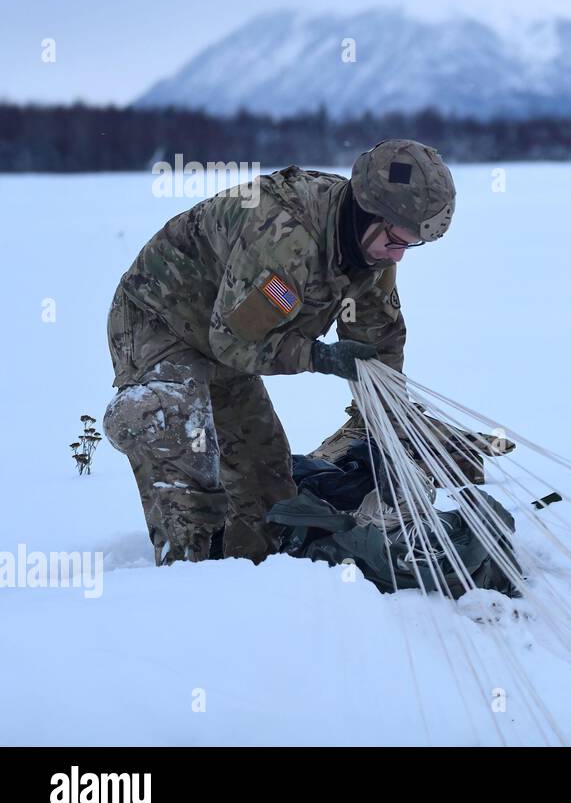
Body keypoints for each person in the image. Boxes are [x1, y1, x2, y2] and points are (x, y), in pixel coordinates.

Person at [102, 139, 454, 565]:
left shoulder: (372, 253)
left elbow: (380, 347)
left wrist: (387, 437)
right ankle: (184, 587)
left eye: (409, 244)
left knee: (266, 486)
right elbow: (233, 343)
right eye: (397, 239)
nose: (399, 254)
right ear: (370, 212)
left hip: (231, 332)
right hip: (161, 322)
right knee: (185, 459)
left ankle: (255, 588)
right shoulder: (287, 242)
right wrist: (318, 357)